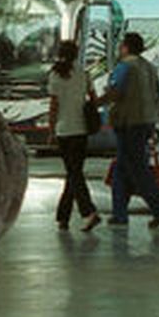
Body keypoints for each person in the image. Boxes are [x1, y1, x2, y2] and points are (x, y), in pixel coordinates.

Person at [97, 32, 159, 228]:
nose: (119, 49)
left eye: (121, 45)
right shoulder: (150, 67)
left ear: (126, 47)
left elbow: (114, 92)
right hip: (147, 121)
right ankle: (119, 214)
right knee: (121, 169)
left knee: (138, 169)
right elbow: (158, 94)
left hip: (129, 123)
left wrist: (94, 104)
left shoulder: (125, 66)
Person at [48, 39, 100, 231]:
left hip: (64, 130)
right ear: (76, 55)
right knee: (74, 173)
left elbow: (54, 106)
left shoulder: (55, 75)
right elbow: (93, 99)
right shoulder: (84, 73)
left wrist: (51, 130)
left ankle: (89, 212)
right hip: (81, 130)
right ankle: (63, 217)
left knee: (74, 173)